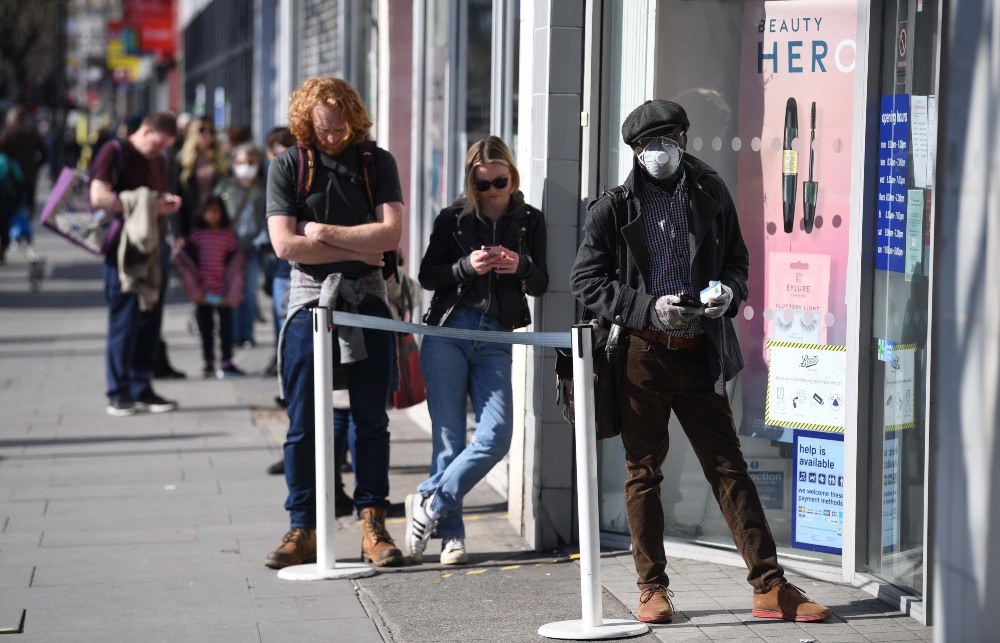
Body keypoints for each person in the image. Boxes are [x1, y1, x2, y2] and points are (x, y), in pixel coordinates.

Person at [569, 99, 833, 624]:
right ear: (634, 151)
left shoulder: (711, 191)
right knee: (643, 472)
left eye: (667, 140)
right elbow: (586, 282)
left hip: (701, 353)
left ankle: (770, 586)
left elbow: (738, 260)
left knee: (729, 468)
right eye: (647, 145)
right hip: (643, 355)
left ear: (684, 139)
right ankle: (652, 588)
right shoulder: (614, 206)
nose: (658, 152)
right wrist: (646, 307)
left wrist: (727, 294)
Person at [264, 77, 405, 569]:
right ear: (307, 123)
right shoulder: (288, 165)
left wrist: (322, 232)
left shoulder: (376, 162)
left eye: (340, 127)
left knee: (371, 420)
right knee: (302, 422)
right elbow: (284, 246)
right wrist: (358, 242)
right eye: (323, 129)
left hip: (366, 301)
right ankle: (302, 524)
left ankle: (373, 522)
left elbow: (390, 236)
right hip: (308, 302)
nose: (332, 137)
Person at [406, 136, 548, 565]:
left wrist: (519, 265)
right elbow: (428, 275)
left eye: (500, 181)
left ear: (512, 176)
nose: (492, 192)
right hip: (450, 329)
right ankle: (452, 537)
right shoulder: (452, 218)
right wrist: (466, 267)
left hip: (495, 337)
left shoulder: (530, 220)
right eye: (483, 184)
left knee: (496, 435)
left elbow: (542, 281)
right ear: (471, 182)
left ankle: (429, 501)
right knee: (448, 439)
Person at [89, 112, 183, 417]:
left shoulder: (159, 160)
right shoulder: (114, 151)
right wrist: (144, 203)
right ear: (144, 131)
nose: (159, 152)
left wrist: (164, 203)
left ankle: (142, 387)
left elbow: (155, 196)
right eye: (157, 145)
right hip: (122, 250)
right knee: (124, 321)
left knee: (150, 322)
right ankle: (118, 392)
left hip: (153, 247)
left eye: (165, 148)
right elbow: (97, 196)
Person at [173, 196, 246, 379]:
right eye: (209, 211)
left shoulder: (227, 236)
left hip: (223, 291)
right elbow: (188, 259)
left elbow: (235, 262)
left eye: (216, 211)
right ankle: (208, 362)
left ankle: (226, 361)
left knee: (226, 329)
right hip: (203, 291)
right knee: (206, 330)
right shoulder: (197, 235)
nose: (213, 215)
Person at [214, 142, 267, 348]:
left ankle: (247, 334)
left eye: (250, 162)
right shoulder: (225, 186)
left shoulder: (262, 188)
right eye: (240, 162)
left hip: (253, 247)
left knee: (250, 292)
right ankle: (232, 333)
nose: (245, 166)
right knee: (232, 291)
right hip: (230, 248)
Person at [170, 117, 228, 241]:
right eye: (202, 130)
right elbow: (175, 193)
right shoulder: (181, 159)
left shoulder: (220, 159)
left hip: (215, 220)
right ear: (193, 132)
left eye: (210, 131)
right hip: (190, 219)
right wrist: (178, 232)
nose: (207, 135)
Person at [1, 106, 47, 220]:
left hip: (12, 176)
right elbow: (45, 155)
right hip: (30, 175)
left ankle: (14, 229)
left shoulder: (8, 133)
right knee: (28, 205)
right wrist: (36, 166)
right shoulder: (32, 132)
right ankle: (26, 225)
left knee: (12, 205)